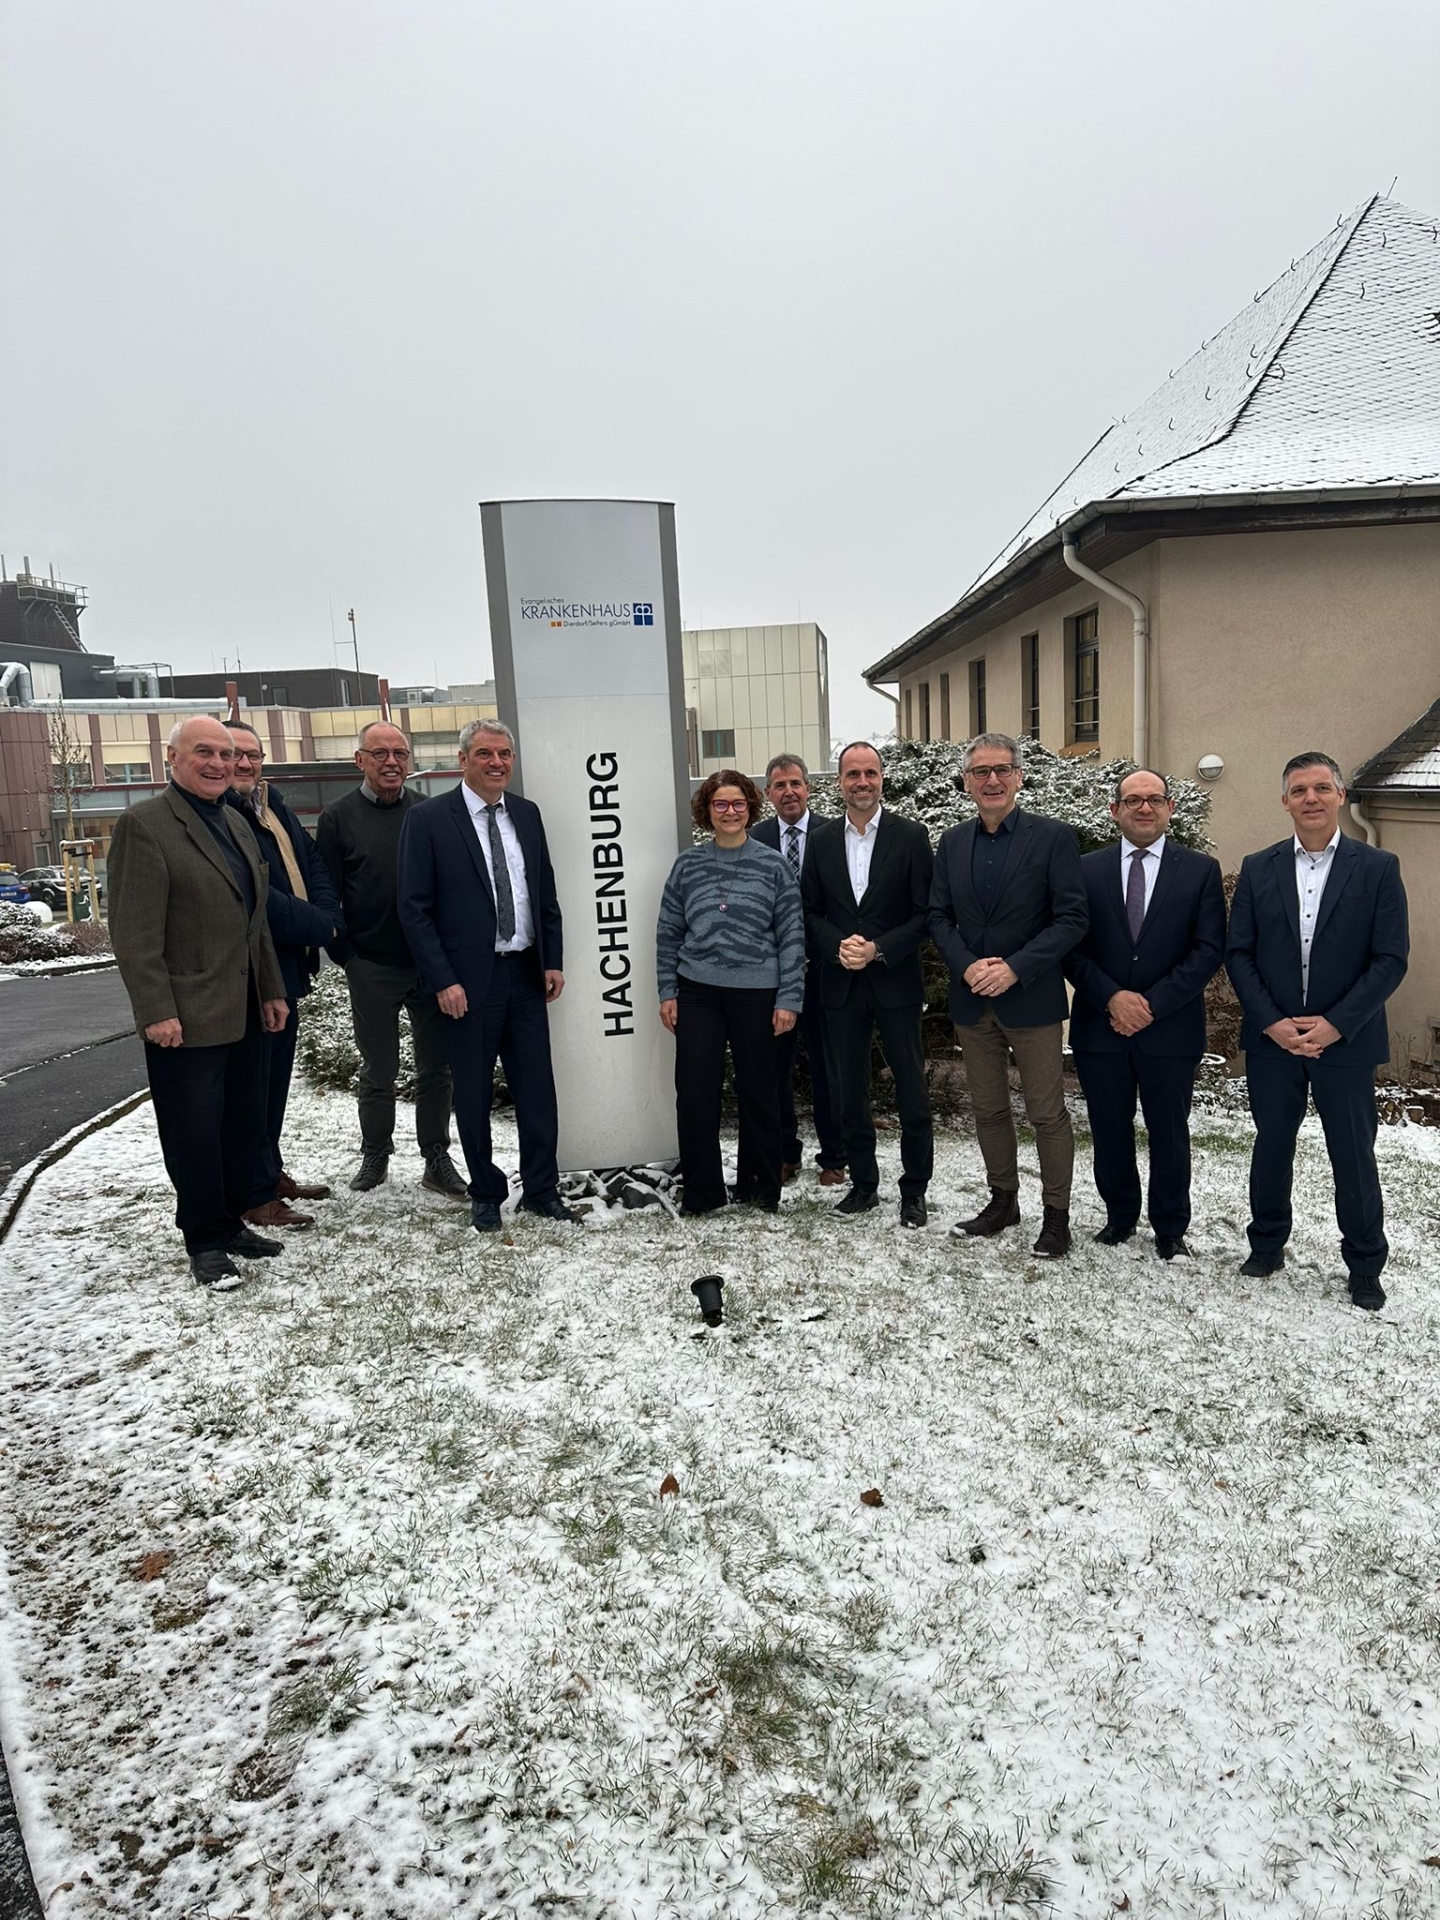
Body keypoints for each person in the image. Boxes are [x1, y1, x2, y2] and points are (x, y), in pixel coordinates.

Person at [107, 716, 290, 1289]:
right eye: (204, 752)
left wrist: (272, 990)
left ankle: (230, 1221)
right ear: (173, 758)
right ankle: (205, 1240)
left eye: (227, 753)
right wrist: (155, 1011)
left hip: (244, 1008)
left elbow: (253, 919)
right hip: (184, 1016)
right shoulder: (145, 826)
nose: (218, 763)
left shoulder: (233, 821)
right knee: (193, 1132)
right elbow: (134, 935)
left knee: (242, 1124)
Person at [1226, 751, 1409, 1310]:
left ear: (1341, 797)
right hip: (1273, 1042)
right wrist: (1273, 1023)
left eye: (1322, 788)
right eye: (1299, 790)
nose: (1311, 798)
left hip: (1345, 1043)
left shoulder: (1377, 868)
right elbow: (1239, 954)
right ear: (1284, 801)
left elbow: (1390, 958)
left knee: (1353, 1153)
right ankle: (1266, 1245)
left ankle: (1364, 1265)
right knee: (1272, 1145)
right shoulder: (1258, 867)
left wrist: (1334, 1025)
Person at [397, 719, 580, 1231]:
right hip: (466, 983)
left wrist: (552, 959)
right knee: (473, 1093)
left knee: (537, 1089)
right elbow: (413, 909)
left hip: (525, 974)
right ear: (463, 760)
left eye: (504, 754)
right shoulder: (430, 819)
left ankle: (542, 1189)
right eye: (484, 754)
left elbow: (543, 892)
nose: (496, 762)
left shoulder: (527, 814)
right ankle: (485, 1191)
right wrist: (443, 980)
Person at [928, 732, 1087, 1258]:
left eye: (1002, 770)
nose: (991, 780)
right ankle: (1003, 1201)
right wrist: (969, 965)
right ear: (967, 782)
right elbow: (938, 917)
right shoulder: (951, 842)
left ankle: (1056, 1216)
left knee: (1047, 1113)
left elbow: (1071, 918)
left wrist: (1015, 969)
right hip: (973, 999)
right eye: (980, 772)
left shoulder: (1054, 838)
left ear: (1019, 776)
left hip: (1032, 999)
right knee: (989, 1110)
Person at [1065, 768, 1226, 1259]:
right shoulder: (1084, 870)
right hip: (1101, 1023)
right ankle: (1119, 1216)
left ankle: (1170, 1226)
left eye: (1154, 799)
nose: (1144, 808)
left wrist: (1151, 1005)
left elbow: (1208, 950)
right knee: (1109, 1126)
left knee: (1170, 1130)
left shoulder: (1199, 869)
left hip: (1170, 1027)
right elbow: (1070, 947)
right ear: (1115, 810)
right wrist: (1112, 997)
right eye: (1133, 800)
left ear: (1170, 808)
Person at [315, 720, 467, 1199]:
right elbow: (327, 892)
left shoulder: (431, 812)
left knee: (436, 1069)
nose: (391, 762)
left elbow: (449, 888)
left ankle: (436, 1158)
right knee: (378, 1068)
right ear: (359, 760)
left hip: (431, 968)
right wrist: (348, 955)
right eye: (379, 753)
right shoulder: (337, 818)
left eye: (399, 753)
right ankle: (375, 1154)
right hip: (372, 965)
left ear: (410, 760)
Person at [656, 768, 805, 1215]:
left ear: (750, 808)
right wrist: (668, 990)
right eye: (720, 804)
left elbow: (792, 936)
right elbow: (668, 933)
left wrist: (789, 999)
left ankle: (760, 1190)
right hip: (697, 992)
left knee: (759, 1090)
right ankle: (702, 1193)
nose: (730, 812)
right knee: (696, 1092)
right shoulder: (688, 865)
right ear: (707, 810)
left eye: (738, 803)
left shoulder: (773, 864)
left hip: (758, 994)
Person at [800, 742, 934, 1226]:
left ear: (882, 778)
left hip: (894, 982)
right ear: (839, 782)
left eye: (870, 772)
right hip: (839, 985)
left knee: (911, 1092)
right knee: (847, 1091)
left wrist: (877, 949)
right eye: (852, 773)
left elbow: (926, 915)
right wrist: (839, 945)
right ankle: (863, 1184)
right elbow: (809, 911)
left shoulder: (912, 836)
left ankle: (914, 1189)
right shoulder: (819, 842)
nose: (862, 781)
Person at [223, 720, 344, 1228]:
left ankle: (268, 1174)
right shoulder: (223, 815)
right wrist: (322, 925)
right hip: (255, 971)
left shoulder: (272, 804)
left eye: (252, 754)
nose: (245, 764)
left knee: (274, 1084)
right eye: (234, 755)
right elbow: (257, 893)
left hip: (288, 966)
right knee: (252, 1088)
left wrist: (325, 912)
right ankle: (252, 1192)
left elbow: (310, 860)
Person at [751, 754, 846, 1185]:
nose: (788, 791)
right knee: (775, 1068)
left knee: (830, 1067)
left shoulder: (835, 834)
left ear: (809, 788)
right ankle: (785, 1152)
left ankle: (834, 1157)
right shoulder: (754, 839)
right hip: (773, 975)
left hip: (826, 969)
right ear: (767, 794)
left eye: (796, 783)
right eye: (779, 785)